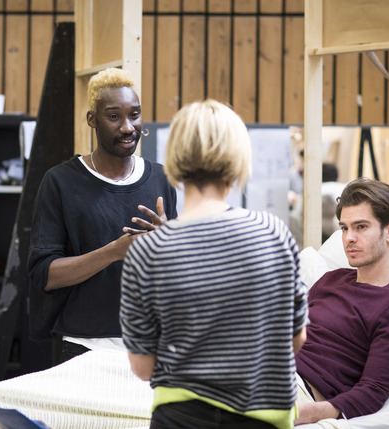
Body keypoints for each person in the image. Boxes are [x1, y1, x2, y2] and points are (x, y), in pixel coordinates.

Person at [120, 100, 308, 429]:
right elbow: (296, 339)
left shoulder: (148, 250)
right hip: (265, 417)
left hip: (181, 417)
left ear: (175, 158)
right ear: (238, 160)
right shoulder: (274, 233)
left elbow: (143, 367)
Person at [27, 68, 178, 364]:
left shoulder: (162, 178)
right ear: (92, 120)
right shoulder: (60, 182)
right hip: (83, 346)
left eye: (134, 115)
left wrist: (171, 245)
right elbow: (44, 275)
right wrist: (114, 252)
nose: (127, 127)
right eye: (114, 117)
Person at [294, 177, 389, 424]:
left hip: (298, 389)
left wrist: (309, 413)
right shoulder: (329, 280)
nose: (348, 238)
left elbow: (372, 391)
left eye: (361, 227)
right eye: (344, 228)